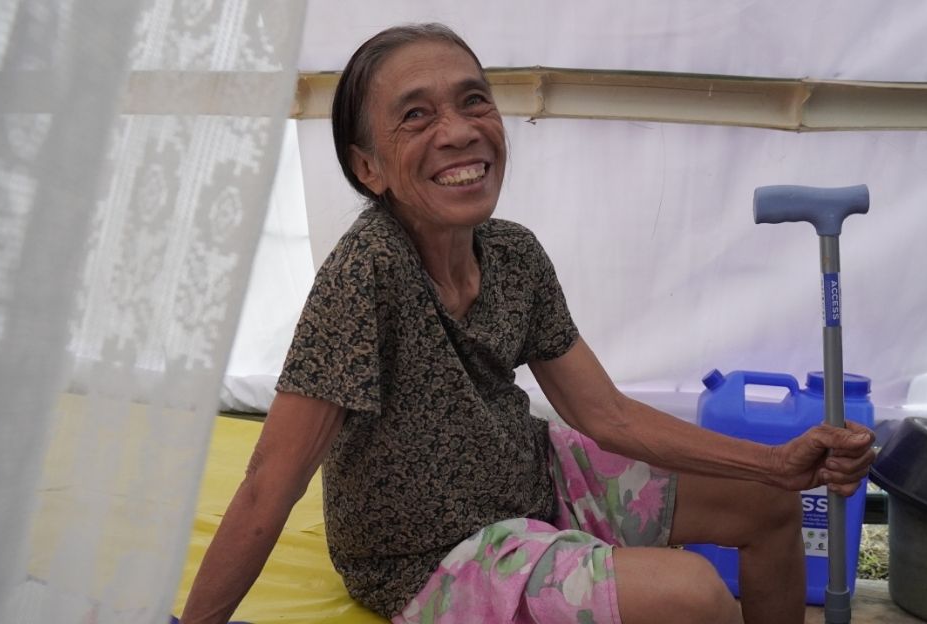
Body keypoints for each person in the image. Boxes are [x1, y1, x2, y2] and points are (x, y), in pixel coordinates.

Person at [180, 23, 876, 624]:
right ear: (369, 168)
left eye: (473, 100)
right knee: (695, 597)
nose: (459, 132)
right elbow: (271, 481)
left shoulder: (513, 253)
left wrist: (777, 464)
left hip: (531, 477)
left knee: (766, 504)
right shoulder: (366, 277)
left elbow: (606, 414)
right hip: (429, 557)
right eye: (416, 116)